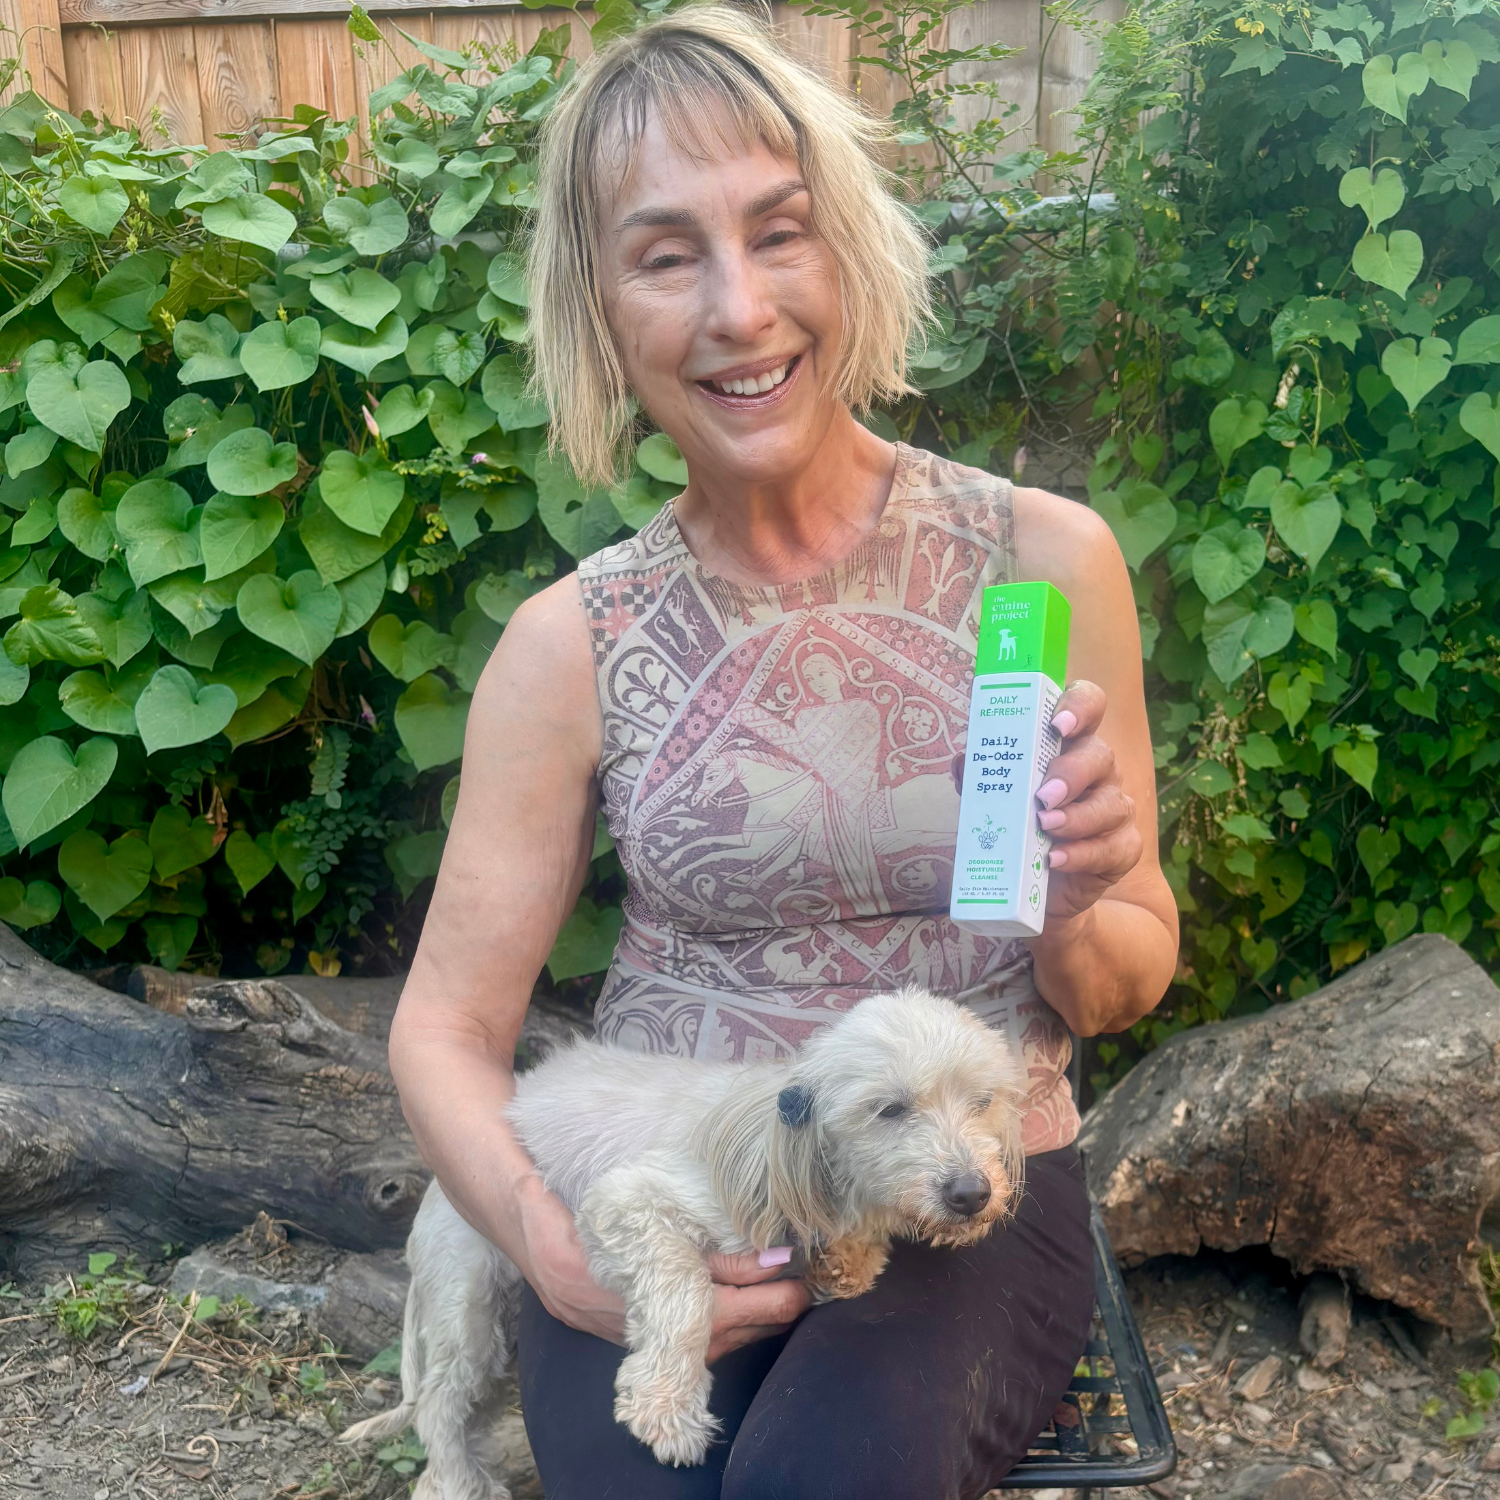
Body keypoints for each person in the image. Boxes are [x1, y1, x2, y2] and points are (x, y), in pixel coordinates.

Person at [387, 6, 1178, 1496]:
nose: (739, 310)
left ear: (854, 252)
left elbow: (1124, 981)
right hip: (676, 1170)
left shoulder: (1045, 564)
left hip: (955, 1191)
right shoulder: (570, 645)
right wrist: (542, 1239)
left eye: (781, 232)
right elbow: (440, 1031)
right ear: (603, 308)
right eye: (667, 252)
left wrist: (1086, 895)